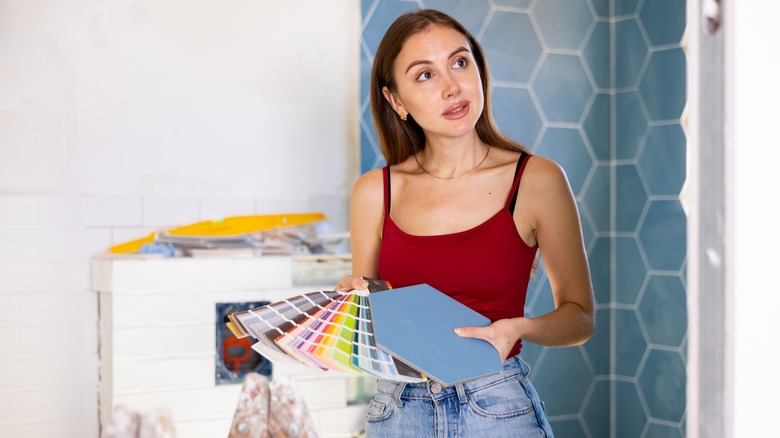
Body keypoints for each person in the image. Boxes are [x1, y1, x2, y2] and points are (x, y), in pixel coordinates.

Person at [337, 9, 594, 437]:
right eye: (424, 75)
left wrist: (518, 329)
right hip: (400, 408)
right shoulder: (374, 192)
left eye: (460, 62)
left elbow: (580, 318)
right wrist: (351, 303)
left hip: (497, 406)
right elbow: (369, 331)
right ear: (396, 100)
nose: (452, 87)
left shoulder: (536, 180)